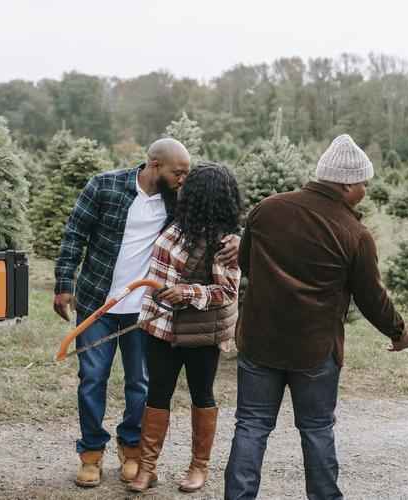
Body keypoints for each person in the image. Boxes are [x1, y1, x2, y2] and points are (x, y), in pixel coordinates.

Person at [224, 134, 408, 500]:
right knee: (317, 430)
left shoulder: (267, 209)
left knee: (251, 426)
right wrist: (398, 332)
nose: (366, 190)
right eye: (363, 183)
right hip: (315, 349)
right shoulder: (355, 234)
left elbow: (245, 264)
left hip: (259, 342)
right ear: (345, 185)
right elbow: (371, 296)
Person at [54, 139, 240, 487]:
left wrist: (239, 238)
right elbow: (74, 234)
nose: (184, 179)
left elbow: (217, 212)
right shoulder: (104, 186)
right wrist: (64, 284)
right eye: (178, 172)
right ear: (155, 165)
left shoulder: (178, 199)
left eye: (187, 174)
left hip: (146, 310)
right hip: (100, 301)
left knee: (140, 383)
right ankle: (91, 454)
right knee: (92, 379)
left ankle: (132, 449)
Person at [127, 163, 242, 494]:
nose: (181, 187)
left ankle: (198, 467)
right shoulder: (177, 225)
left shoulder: (225, 243)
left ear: (202, 196)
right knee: (157, 393)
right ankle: (147, 468)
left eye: (188, 186)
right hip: (160, 326)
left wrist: (187, 292)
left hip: (199, 332)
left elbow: (227, 293)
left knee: (201, 394)